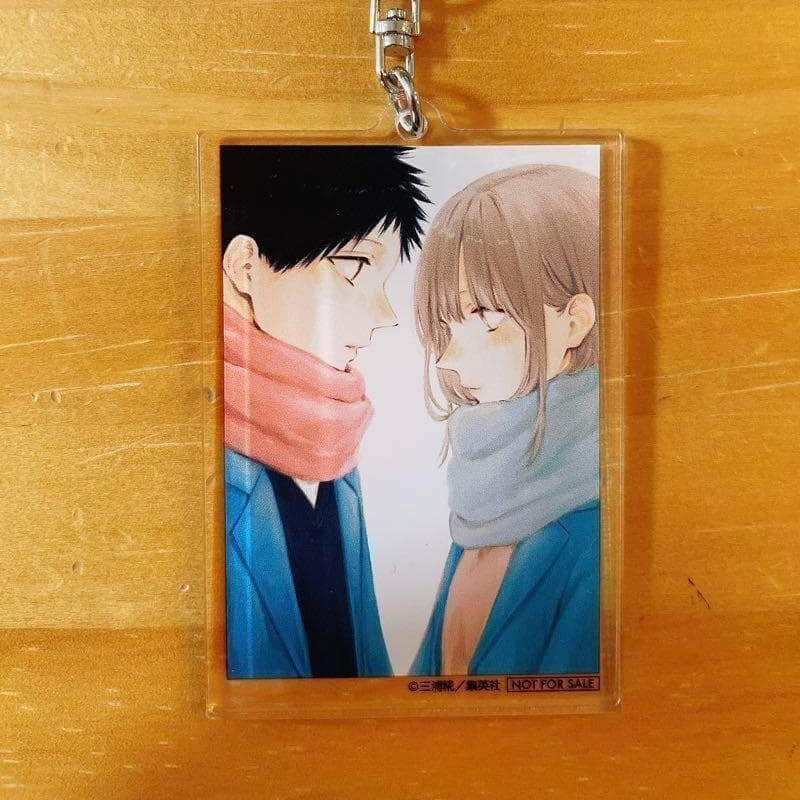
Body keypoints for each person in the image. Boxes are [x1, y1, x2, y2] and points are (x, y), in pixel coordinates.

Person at [220, 145, 428, 679]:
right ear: (246, 267)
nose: (385, 314)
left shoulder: (331, 448)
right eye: (354, 267)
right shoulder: (197, 455)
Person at [410, 163, 600, 677]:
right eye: (445, 324)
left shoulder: (599, 529)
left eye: (487, 318)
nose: (447, 357)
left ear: (576, 321)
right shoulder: (487, 500)